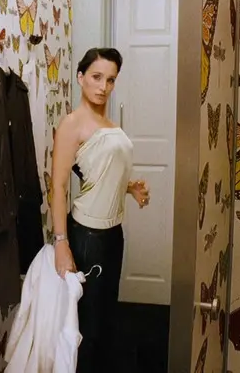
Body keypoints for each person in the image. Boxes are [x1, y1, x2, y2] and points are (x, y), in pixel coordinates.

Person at [50, 48, 150, 373]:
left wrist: (129, 187)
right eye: (96, 77)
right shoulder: (72, 124)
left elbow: (96, 173)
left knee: (107, 320)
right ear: (80, 78)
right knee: (87, 327)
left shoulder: (109, 124)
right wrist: (61, 243)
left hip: (113, 234)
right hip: (87, 237)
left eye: (110, 80)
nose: (103, 86)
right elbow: (58, 187)